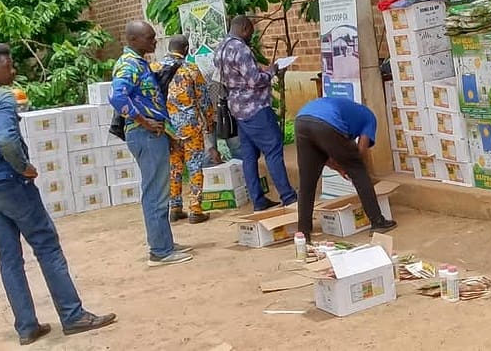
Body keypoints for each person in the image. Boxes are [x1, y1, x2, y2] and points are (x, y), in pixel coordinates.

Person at [0, 43, 117, 345]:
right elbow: (6, 140)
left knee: (9, 256)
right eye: (8, 64)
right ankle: (73, 315)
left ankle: (26, 326)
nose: (13, 70)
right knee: (46, 245)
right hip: (11, 182)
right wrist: (23, 167)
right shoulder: (2, 99)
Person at [111, 21, 194, 267]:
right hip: (145, 134)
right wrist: (143, 121)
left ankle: (164, 243)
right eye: (149, 37)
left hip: (152, 133)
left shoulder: (139, 63)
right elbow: (116, 96)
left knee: (159, 191)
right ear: (133, 40)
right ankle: (160, 250)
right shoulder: (128, 64)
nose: (154, 41)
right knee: (155, 193)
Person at [214, 16, 298, 211]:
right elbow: (254, 80)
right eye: (250, 33)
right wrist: (272, 71)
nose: (251, 37)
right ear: (244, 28)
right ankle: (288, 196)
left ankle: (258, 200)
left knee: (249, 155)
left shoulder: (221, 48)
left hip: (237, 108)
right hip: (255, 107)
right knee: (273, 150)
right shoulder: (240, 49)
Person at [294, 97, 397, 241]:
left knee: (307, 183)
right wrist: (349, 169)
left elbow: (322, 157)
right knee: (359, 169)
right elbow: (360, 152)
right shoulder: (370, 118)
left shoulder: (345, 110)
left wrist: (340, 168)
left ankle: (303, 233)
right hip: (327, 122)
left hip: (301, 121)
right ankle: (378, 221)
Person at [155, 35, 217, 223]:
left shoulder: (155, 68)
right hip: (190, 127)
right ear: (186, 49)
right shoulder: (191, 69)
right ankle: (195, 209)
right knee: (194, 165)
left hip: (167, 128)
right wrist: (209, 121)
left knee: (174, 166)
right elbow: (203, 100)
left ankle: (175, 208)